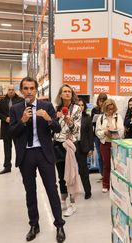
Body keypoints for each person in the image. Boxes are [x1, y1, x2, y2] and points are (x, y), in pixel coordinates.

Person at [9, 77, 65, 242]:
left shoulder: (46, 106)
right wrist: (22, 121)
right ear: (21, 91)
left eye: (32, 88)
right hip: (26, 155)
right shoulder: (16, 109)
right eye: (25, 88)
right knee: (30, 191)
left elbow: (57, 128)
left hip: (44, 153)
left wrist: (49, 118)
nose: (29, 91)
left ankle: (59, 224)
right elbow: (11, 132)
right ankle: (34, 224)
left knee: (51, 189)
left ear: (36, 90)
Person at [53, 84, 83, 217]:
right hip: (57, 144)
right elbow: (53, 127)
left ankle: (73, 204)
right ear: (60, 94)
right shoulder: (55, 109)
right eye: (64, 91)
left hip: (69, 145)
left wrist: (69, 121)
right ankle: (63, 200)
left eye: (69, 91)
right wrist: (56, 118)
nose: (67, 93)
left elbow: (77, 129)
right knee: (60, 175)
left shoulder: (76, 109)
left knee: (71, 176)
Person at [95, 99, 124, 193]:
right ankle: (106, 184)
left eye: (112, 109)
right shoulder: (101, 118)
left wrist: (114, 133)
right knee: (106, 165)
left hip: (116, 144)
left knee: (117, 165)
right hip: (105, 144)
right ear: (105, 108)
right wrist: (105, 132)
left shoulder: (118, 117)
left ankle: (116, 184)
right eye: (108, 109)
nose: (110, 111)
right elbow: (97, 131)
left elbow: (121, 131)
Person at [0, 85, 23, 174]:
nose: (11, 91)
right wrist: (5, 118)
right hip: (6, 128)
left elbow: (23, 112)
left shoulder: (20, 100)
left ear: (15, 91)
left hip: (17, 127)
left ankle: (21, 165)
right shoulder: (2, 101)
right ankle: (7, 167)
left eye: (12, 90)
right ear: (6, 91)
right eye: (9, 90)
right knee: (7, 148)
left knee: (19, 147)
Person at [76, 98, 93, 199]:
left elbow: (90, 134)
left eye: (82, 105)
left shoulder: (87, 118)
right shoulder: (72, 117)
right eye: (78, 105)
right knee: (71, 171)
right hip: (72, 146)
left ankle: (88, 191)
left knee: (83, 170)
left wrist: (91, 148)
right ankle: (72, 192)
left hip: (83, 146)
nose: (80, 107)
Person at [91, 93, 107, 183]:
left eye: (103, 101)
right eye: (100, 101)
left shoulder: (108, 109)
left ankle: (107, 174)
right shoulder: (95, 109)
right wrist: (96, 120)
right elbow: (91, 122)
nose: (102, 103)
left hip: (106, 135)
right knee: (100, 156)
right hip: (97, 135)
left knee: (106, 155)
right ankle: (102, 174)